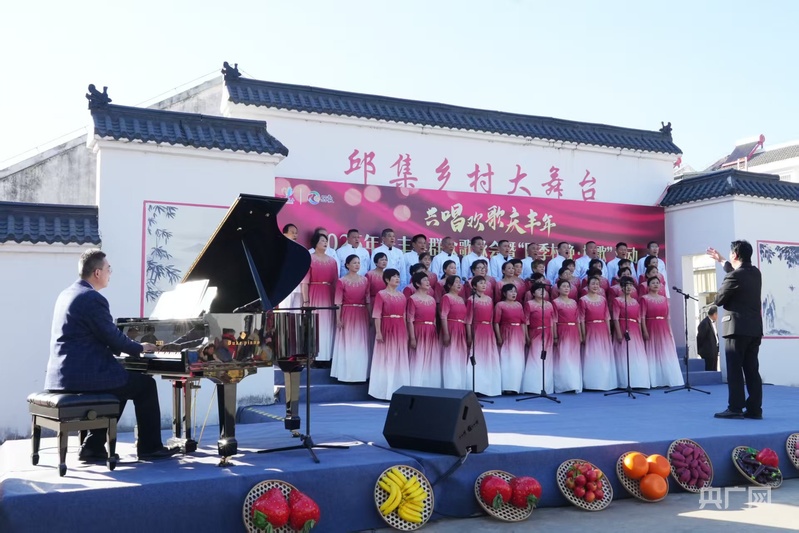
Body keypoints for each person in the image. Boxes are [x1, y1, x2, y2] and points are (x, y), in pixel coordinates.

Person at [44, 249, 178, 461]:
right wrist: (140, 348)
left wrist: (126, 348)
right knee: (144, 385)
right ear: (97, 273)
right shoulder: (91, 298)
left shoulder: (67, 294)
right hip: (83, 376)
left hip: (63, 375)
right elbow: (112, 337)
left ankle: (93, 446)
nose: (110, 273)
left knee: (121, 383)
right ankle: (150, 447)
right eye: (108, 269)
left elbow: (97, 336)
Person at [707, 241, 763, 419]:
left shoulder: (734, 276)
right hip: (754, 329)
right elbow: (736, 273)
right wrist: (721, 260)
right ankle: (754, 409)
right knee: (752, 370)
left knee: (735, 370)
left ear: (735, 255)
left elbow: (719, 300)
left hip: (736, 329)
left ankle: (735, 408)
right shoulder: (755, 273)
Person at [368, 269, 410, 400]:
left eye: (398, 276)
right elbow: (377, 314)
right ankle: (384, 390)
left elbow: (404, 315)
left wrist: (406, 332)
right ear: (387, 279)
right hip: (387, 327)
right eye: (394, 277)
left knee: (399, 357)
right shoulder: (381, 294)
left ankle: (399, 389)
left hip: (400, 328)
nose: (397, 279)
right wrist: (378, 332)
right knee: (386, 357)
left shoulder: (402, 296)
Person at [331, 255, 370, 382]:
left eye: (358, 262)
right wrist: (338, 319)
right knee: (348, 342)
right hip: (347, 313)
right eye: (354, 263)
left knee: (360, 343)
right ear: (347, 265)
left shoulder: (365, 280)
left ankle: (360, 374)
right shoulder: (342, 281)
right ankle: (346, 375)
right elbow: (338, 302)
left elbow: (368, 300)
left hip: (361, 313)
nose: (357, 265)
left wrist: (370, 316)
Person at [640, 277, 684, 388]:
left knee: (665, 352)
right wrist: (644, 330)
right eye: (653, 283)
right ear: (648, 286)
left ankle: (667, 378)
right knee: (652, 351)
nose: (655, 284)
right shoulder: (644, 299)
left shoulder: (664, 299)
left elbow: (668, 317)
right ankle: (654, 380)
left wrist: (669, 330)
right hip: (651, 326)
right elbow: (642, 317)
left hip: (663, 327)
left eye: (657, 283)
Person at [301, 232, 338, 363]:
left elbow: (335, 282)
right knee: (315, 325)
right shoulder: (309, 259)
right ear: (315, 243)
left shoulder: (332, 261)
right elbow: (305, 283)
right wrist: (306, 300)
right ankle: (314, 358)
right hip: (314, 293)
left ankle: (327, 357)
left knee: (328, 325)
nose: (325, 243)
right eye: (322, 240)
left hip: (329, 295)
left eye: (326, 240)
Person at [466, 276, 502, 396]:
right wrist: (469, 336)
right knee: (477, 357)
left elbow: (491, 318)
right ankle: (476, 386)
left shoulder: (490, 299)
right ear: (474, 286)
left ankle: (489, 387)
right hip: (477, 329)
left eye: (484, 283)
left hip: (488, 330)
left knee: (489, 357)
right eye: (480, 283)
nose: (483, 285)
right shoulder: (471, 300)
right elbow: (468, 320)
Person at [579, 276, 617, 391]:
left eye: (597, 284)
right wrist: (583, 334)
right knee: (591, 355)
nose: (595, 286)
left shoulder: (603, 299)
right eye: (593, 284)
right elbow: (581, 319)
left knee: (603, 356)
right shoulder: (583, 300)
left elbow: (607, 317)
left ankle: (604, 382)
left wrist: (609, 332)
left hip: (602, 329)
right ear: (588, 286)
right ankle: (591, 383)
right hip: (590, 328)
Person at [612, 277, 650, 389]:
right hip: (623, 327)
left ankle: (638, 381)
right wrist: (619, 333)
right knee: (623, 354)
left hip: (635, 330)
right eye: (626, 285)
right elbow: (615, 318)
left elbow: (638, 319)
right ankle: (624, 382)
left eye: (630, 285)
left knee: (637, 355)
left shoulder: (635, 302)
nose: (629, 287)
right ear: (622, 287)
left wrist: (641, 332)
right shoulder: (617, 300)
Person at [407, 272, 440, 388]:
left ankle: (430, 385)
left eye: (428, 280)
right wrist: (412, 337)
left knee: (431, 357)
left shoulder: (432, 299)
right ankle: (416, 385)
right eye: (424, 280)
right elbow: (410, 319)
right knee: (418, 357)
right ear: (417, 283)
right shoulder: (412, 299)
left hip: (431, 331)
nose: (428, 282)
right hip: (419, 330)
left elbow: (434, 318)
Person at [522, 282, 555, 394]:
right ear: (533, 293)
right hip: (535, 333)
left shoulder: (549, 304)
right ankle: (533, 387)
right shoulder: (529, 304)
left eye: (543, 290)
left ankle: (546, 386)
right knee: (535, 358)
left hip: (548, 333)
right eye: (539, 290)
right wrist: (527, 336)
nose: (542, 292)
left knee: (547, 360)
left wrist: (554, 335)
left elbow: (552, 321)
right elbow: (525, 322)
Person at [494, 284, 527, 394]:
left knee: (518, 360)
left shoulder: (519, 305)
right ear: (504, 293)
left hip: (518, 333)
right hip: (506, 332)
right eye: (511, 291)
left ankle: (516, 386)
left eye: (515, 291)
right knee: (507, 359)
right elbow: (496, 322)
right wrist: (499, 336)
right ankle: (506, 387)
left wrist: (524, 336)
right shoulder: (500, 305)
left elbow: (523, 322)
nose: (514, 293)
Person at [551, 279, 582, 393]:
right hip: (562, 330)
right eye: (563, 286)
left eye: (568, 286)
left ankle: (573, 384)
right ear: (558, 289)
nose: (566, 288)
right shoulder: (555, 302)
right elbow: (553, 321)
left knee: (574, 358)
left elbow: (578, 320)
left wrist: (580, 334)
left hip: (574, 331)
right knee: (563, 357)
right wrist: (555, 336)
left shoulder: (574, 302)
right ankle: (563, 385)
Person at [440, 275, 469, 390]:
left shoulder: (461, 299)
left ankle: (460, 385)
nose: (459, 284)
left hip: (461, 329)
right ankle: (450, 385)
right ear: (449, 285)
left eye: (459, 282)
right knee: (451, 356)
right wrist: (446, 333)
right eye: (456, 282)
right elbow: (443, 316)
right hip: (451, 327)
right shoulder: (446, 297)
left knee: (460, 356)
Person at [696, 306, 719, 372]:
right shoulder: (704, 323)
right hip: (708, 352)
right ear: (714, 314)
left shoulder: (712, 323)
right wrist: (701, 350)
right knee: (709, 369)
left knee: (714, 369)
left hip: (714, 351)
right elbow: (700, 338)